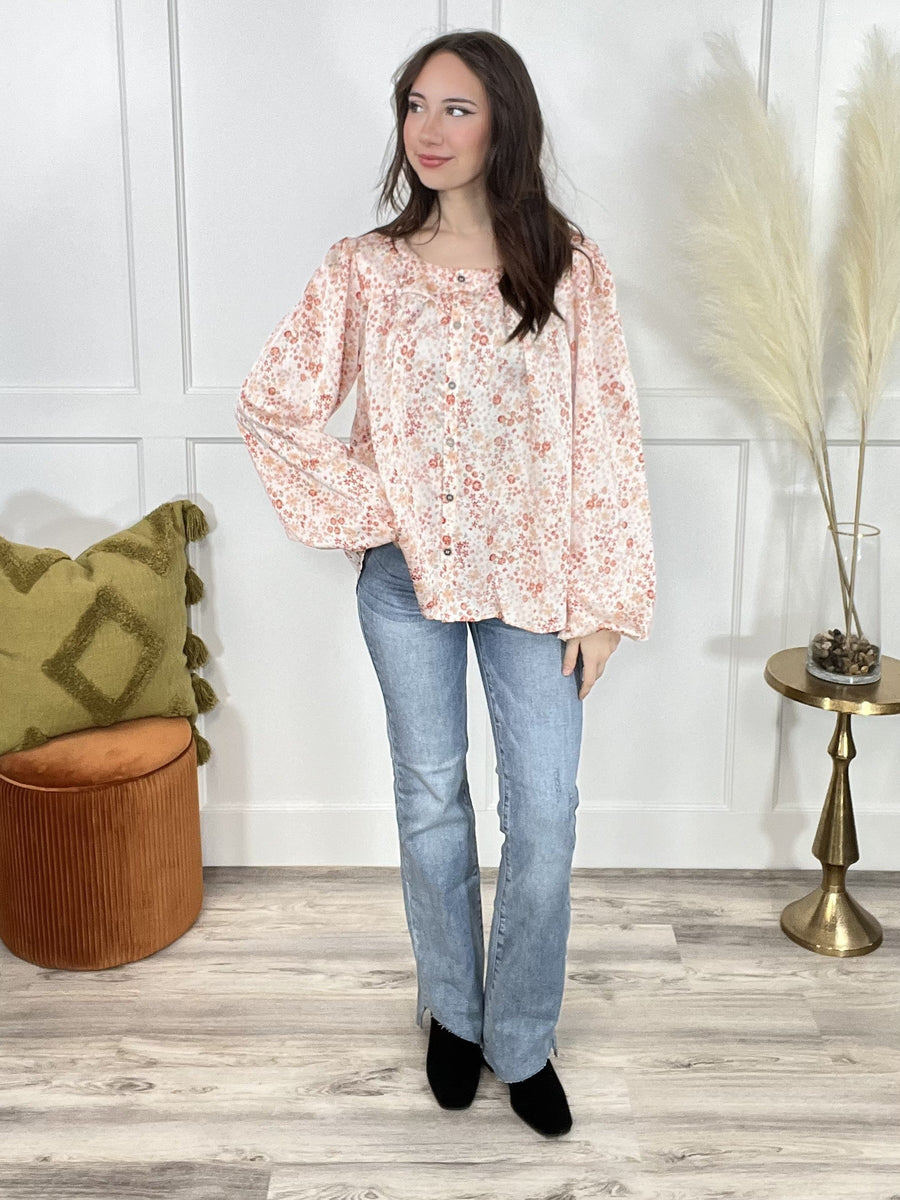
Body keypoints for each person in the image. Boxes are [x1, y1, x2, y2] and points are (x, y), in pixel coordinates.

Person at [235, 29, 656, 1138]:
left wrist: (607, 603)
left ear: (503, 121)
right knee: (430, 799)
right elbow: (271, 404)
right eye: (416, 105)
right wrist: (381, 512)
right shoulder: (363, 269)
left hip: (539, 584)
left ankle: (522, 1035)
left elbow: (606, 432)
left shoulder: (568, 264)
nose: (429, 129)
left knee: (545, 813)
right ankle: (456, 1018)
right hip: (405, 585)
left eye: (457, 108)